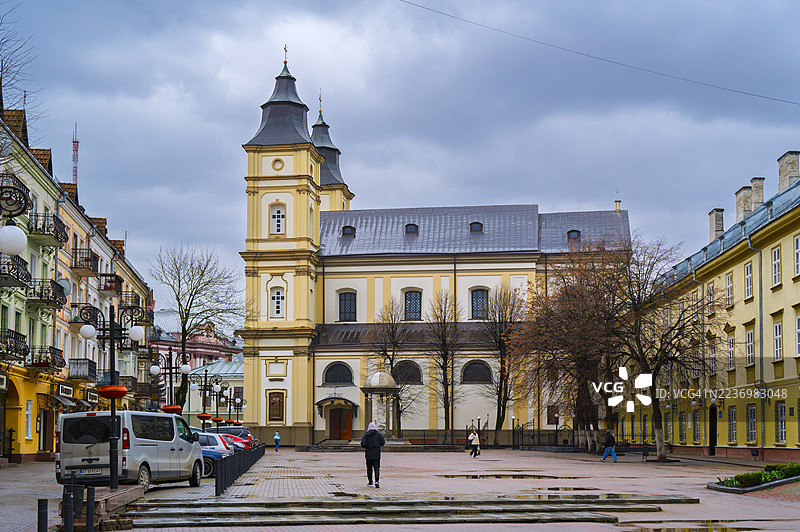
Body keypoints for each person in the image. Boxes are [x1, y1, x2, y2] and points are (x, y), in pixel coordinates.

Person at [360, 421, 385, 487]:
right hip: (376, 454)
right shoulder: (378, 434)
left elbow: (363, 444)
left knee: (369, 468)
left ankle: (370, 482)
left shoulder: (366, 434)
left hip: (369, 454)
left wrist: (367, 446)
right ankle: (377, 481)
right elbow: (382, 442)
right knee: (377, 468)